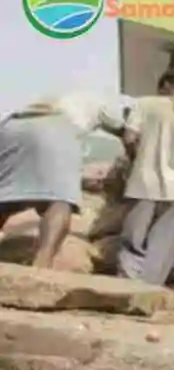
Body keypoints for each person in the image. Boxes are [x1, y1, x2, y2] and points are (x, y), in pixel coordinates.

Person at [0, 92, 125, 267]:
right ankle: (42, 263)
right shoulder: (103, 104)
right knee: (59, 201)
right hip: (53, 127)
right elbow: (127, 133)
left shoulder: (62, 99)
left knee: (7, 195)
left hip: (9, 128)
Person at [117, 71, 174, 285]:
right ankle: (149, 290)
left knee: (134, 239)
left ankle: (126, 285)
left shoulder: (144, 104)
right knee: (165, 245)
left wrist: (136, 159)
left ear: (164, 86)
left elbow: (130, 138)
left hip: (143, 182)